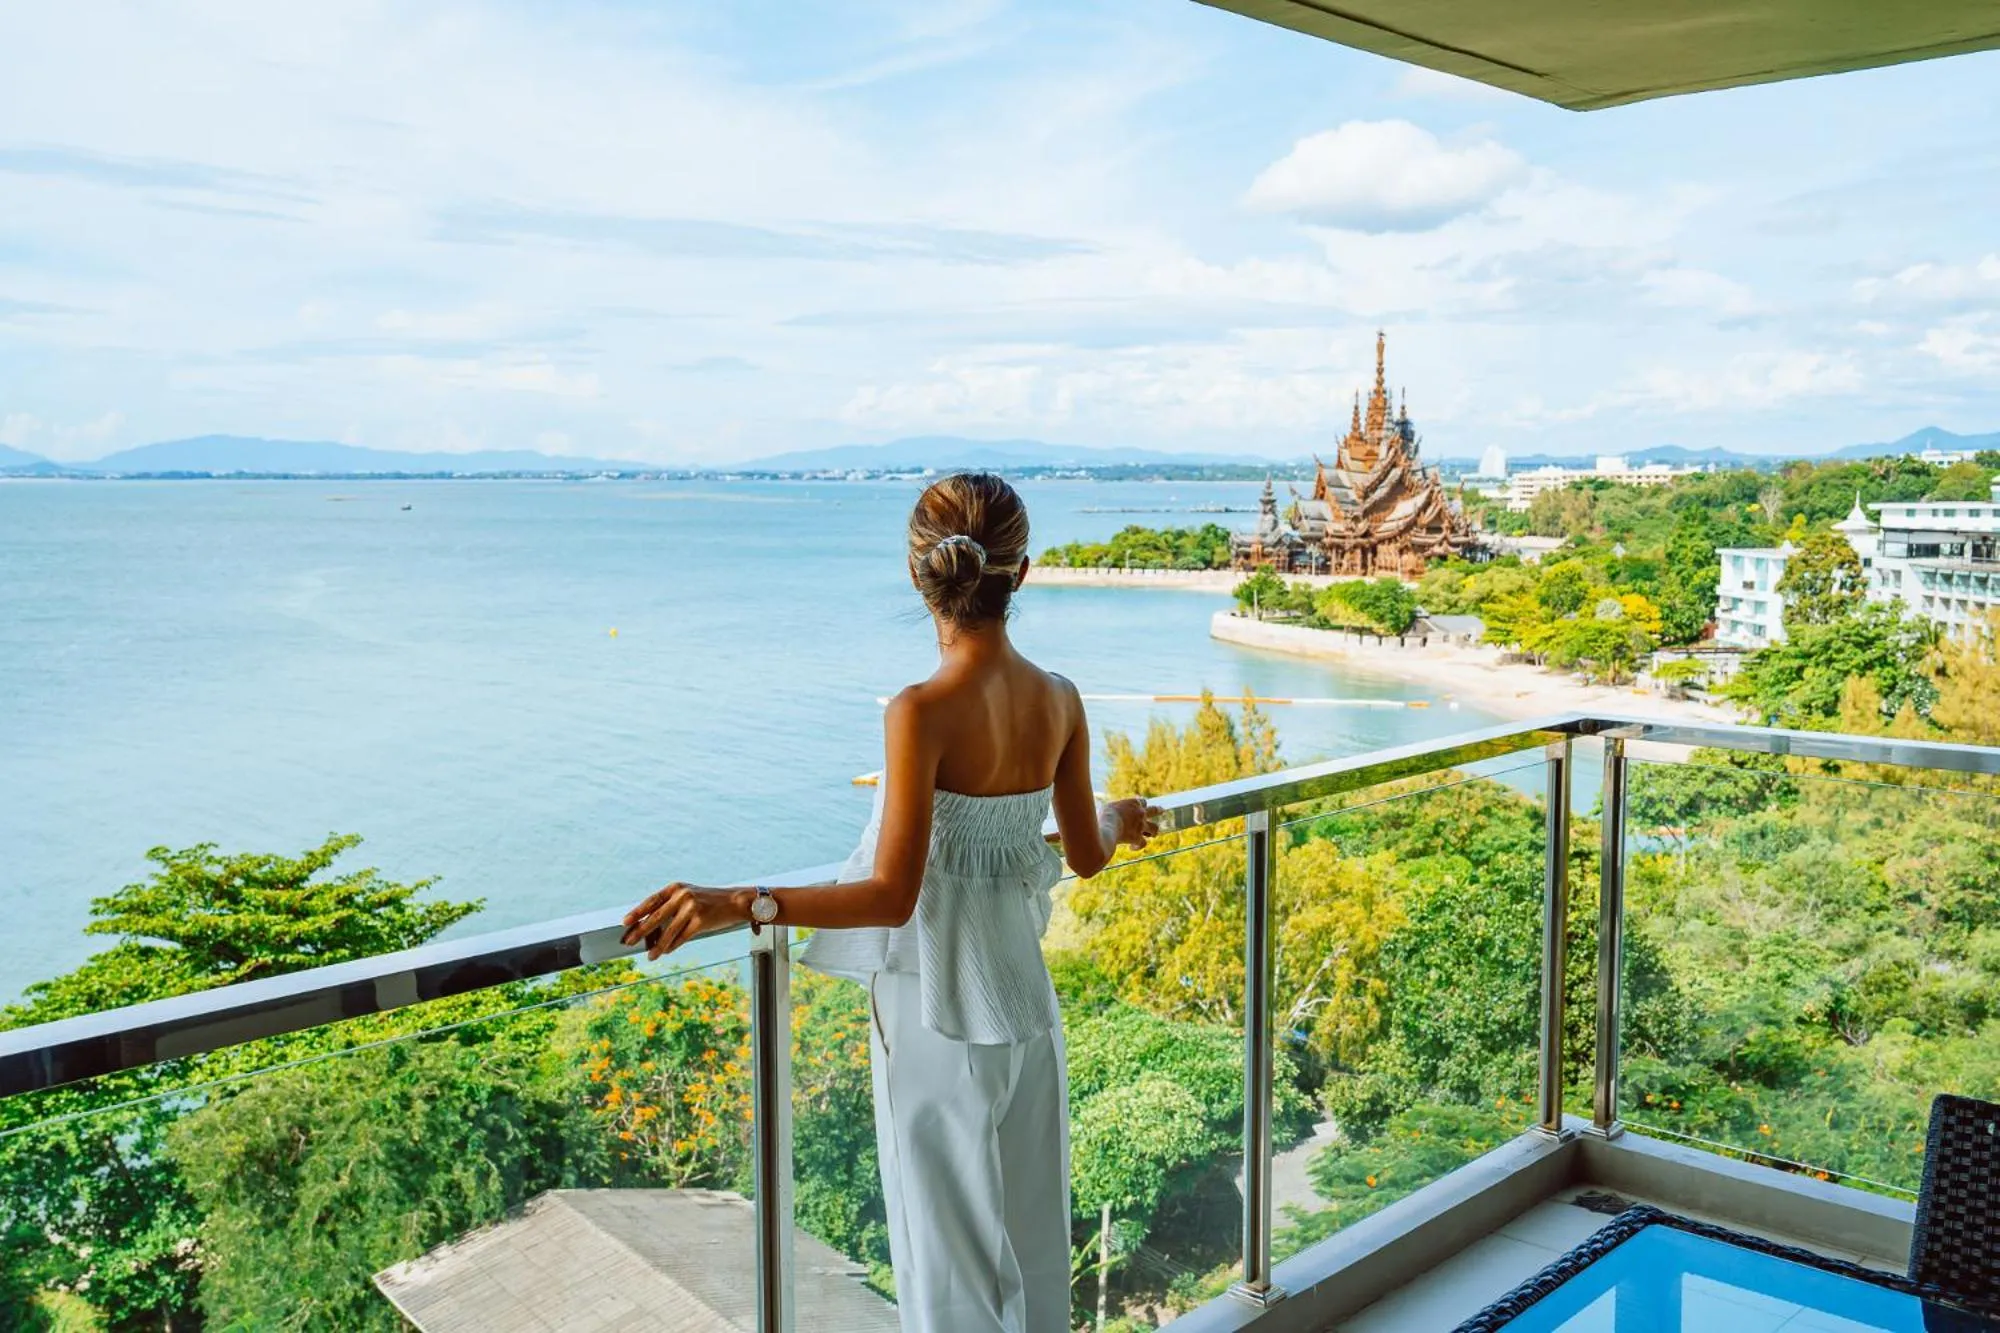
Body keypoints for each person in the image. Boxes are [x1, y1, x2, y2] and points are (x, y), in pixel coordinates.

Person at [622, 472, 1158, 1332]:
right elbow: (1084, 857)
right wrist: (1117, 817)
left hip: (936, 1018)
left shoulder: (919, 711)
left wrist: (740, 902)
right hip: (1029, 1015)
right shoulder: (1059, 698)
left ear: (920, 577)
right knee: (1033, 1246)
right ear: (1021, 575)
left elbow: (890, 893)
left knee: (946, 1264)